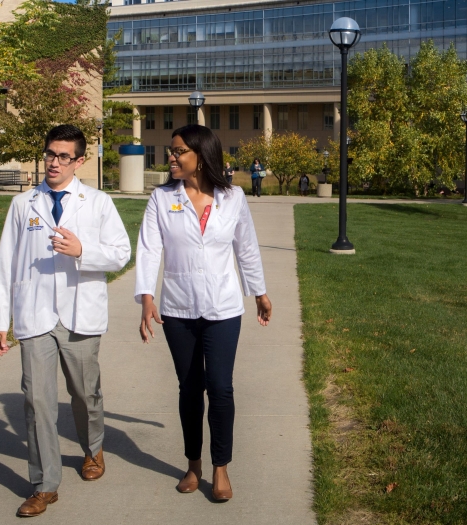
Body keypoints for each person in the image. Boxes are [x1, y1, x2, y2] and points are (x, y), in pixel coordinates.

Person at [0, 124, 131, 517]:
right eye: (50, 153)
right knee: (37, 402)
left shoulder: (98, 202)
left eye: (63, 156)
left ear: (79, 161)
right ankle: (44, 484)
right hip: (35, 317)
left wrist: (83, 251)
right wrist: (0, 319)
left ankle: (93, 447)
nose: (54, 162)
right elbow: (5, 265)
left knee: (85, 393)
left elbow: (121, 253)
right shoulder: (23, 205)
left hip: (79, 315)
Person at [135, 124, 272, 502]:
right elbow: (148, 249)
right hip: (178, 309)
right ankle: (193, 463)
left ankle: (220, 466)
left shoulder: (233, 197)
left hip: (223, 307)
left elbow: (246, 247)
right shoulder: (162, 198)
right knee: (190, 387)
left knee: (221, 387)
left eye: (179, 151)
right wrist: (146, 296)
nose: (172, 157)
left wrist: (258, 291)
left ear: (201, 156)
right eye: (172, 152)